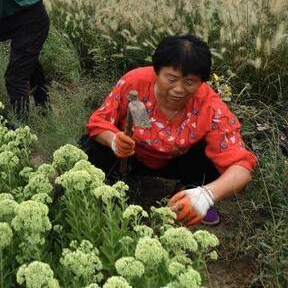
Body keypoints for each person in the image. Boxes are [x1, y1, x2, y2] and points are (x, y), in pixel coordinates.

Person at [82, 34, 257, 226]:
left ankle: (190, 192)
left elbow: (242, 166)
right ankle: (104, 185)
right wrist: (114, 140)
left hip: (175, 160)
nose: (179, 89)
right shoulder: (136, 83)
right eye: (171, 79)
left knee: (212, 155)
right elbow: (98, 122)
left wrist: (207, 195)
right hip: (130, 154)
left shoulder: (210, 105)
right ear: (157, 71)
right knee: (94, 148)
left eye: (190, 82)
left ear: (201, 81)